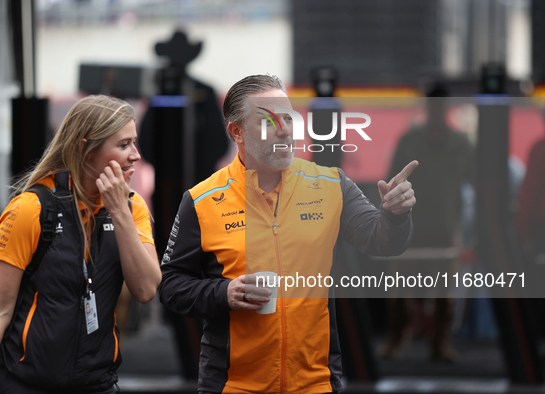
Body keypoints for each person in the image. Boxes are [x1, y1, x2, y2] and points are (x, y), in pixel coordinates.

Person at [158, 74, 417, 393]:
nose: (283, 129)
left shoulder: (331, 184)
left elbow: (382, 241)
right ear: (236, 132)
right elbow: (170, 285)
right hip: (233, 385)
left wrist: (395, 216)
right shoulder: (201, 200)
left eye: (288, 118)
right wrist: (223, 294)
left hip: (314, 384)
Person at [0, 95, 162, 394]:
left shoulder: (132, 210)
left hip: (97, 384)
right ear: (85, 148)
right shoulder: (31, 209)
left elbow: (146, 290)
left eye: (134, 142)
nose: (135, 155)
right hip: (22, 384)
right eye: (123, 145)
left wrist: (119, 212)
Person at [380, 84, 474, 362]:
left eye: (440, 105)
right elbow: (392, 182)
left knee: (444, 291)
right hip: (411, 226)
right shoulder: (409, 141)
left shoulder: (461, 143)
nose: (436, 110)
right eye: (433, 105)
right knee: (400, 286)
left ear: (446, 108)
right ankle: (396, 339)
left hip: (446, 227)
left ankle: (439, 344)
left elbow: (477, 183)